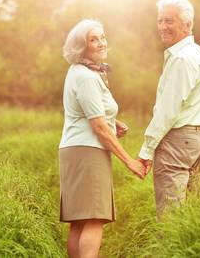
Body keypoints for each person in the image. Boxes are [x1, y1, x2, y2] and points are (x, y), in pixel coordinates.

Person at [59, 19, 146, 258]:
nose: (100, 43)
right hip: (88, 152)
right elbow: (98, 126)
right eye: (93, 39)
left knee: (79, 220)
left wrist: (113, 122)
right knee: (95, 218)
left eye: (102, 37)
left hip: (75, 148)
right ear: (81, 46)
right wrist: (130, 161)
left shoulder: (79, 72)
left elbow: (86, 111)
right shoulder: (86, 76)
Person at [138, 0, 200, 218]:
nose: (162, 27)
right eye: (160, 21)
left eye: (169, 21)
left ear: (187, 25)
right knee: (190, 213)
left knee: (171, 215)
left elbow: (167, 111)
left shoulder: (182, 59)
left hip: (179, 141)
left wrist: (146, 151)